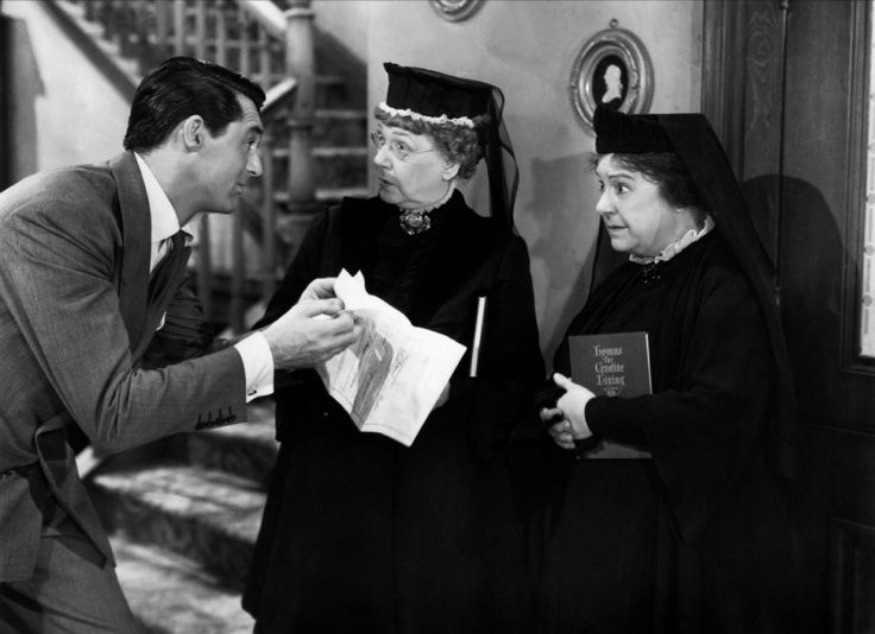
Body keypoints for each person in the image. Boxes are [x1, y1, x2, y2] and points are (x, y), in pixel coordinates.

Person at [0, 56, 358, 632]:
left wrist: (302, 342)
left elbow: (189, 363)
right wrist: (274, 349)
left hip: (33, 488)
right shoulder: (58, 215)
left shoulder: (163, 237)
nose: (257, 166)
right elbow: (114, 414)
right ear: (194, 133)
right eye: (249, 141)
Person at [243, 62, 545, 633]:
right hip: (331, 481)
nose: (380, 159)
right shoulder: (336, 227)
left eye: (401, 148)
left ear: (452, 161)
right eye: (379, 140)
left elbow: (516, 379)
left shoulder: (495, 250)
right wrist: (312, 346)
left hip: (430, 490)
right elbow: (276, 332)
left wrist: (453, 391)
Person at [537, 107, 806, 633]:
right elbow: (567, 372)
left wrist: (596, 415)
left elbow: (717, 413)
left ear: (679, 191)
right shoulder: (626, 278)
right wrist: (560, 418)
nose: (602, 205)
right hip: (600, 524)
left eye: (622, 187)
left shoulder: (725, 288)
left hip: (674, 542)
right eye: (602, 185)